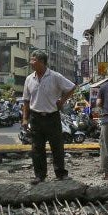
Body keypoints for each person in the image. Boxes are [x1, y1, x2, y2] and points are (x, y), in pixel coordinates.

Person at [21, 50, 76, 183]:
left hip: (52, 116)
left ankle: (61, 174)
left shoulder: (55, 76)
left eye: (33, 60)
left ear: (41, 62)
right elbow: (26, 101)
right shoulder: (29, 79)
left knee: (57, 147)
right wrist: (25, 118)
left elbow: (72, 87)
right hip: (36, 118)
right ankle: (40, 176)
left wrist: (62, 101)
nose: (31, 63)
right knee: (37, 148)